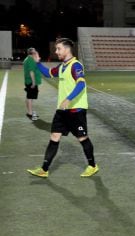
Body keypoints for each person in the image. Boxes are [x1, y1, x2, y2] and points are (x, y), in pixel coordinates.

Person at [27, 38, 99, 178]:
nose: (56, 51)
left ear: (67, 49)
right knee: (54, 136)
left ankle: (92, 166)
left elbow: (81, 84)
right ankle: (44, 169)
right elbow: (48, 73)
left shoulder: (76, 66)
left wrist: (69, 98)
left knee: (82, 138)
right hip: (62, 111)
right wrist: (37, 63)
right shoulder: (62, 66)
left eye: (58, 48)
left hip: (75, 110)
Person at [23, 48, 41, 121]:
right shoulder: (30, 60)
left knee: (29, 96)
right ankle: (30, 113)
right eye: (35, 51)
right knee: (30, 97)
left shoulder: (27, 59)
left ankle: (29, 112)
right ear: (32, 53)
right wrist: (33, 82)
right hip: (31, 81)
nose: (36, 51)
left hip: (28, 81)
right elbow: (31, 72)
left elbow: (37, 60)